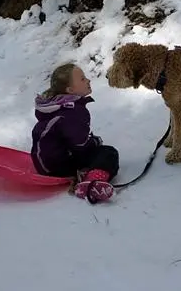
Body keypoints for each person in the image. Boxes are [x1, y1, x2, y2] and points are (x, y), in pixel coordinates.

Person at [31, 63, 119, 203]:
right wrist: (94, 142)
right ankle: (92, 182)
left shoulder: (55, 106)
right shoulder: (73, 111)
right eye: (83, 79)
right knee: (108, 153)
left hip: (44, 165)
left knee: (92, 151)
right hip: (58, 166)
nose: (88, 80)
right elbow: (80, 143)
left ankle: (83, 172)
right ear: (70, 90)